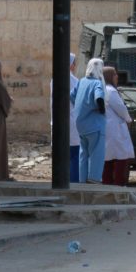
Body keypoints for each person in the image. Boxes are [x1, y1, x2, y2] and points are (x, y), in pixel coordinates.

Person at [72, 58, 106, 184]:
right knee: (96, 153)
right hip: (94, 125)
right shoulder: (97, 83)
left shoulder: (81, 81)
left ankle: (82, 180)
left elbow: (71, 96)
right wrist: (101, 110)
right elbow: (99, 98)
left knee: (83, 154)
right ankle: (94, 179)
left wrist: (80, 108)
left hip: (81, 125)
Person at [101, 66, 134, 186]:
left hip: (107, 128)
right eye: (114, 74)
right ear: (109, 77)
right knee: (121, 156)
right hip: (115, 130)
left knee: (108, 158)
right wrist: (128, 119)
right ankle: (119, 183)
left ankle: (107, 182)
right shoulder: (111, 91)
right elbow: (121, 109)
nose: (117, 76)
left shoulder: (103, 89)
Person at [50, 53, 80, 183]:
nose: (75, 65)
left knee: (61, 153)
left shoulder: (54, 79)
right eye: (74, 63)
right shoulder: (74, 81)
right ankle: (73, 181)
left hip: (57, 120)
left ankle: (60, 179)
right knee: (74, 154)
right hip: (72, 120)